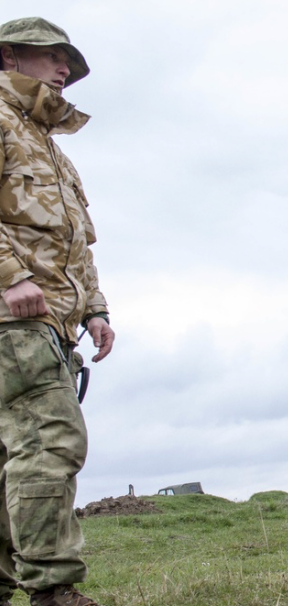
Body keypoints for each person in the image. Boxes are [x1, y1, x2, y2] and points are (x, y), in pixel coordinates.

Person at [0, 16, 115, 606]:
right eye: (52, 55)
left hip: (49, 323)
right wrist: (10, 275)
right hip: (14, 317)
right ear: (9, 58)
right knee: (50, 442)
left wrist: (94, 308)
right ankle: (52, 591)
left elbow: (76, 245)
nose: (64, 69)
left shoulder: (50, 148)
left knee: (11, 456)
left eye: (68, 61)